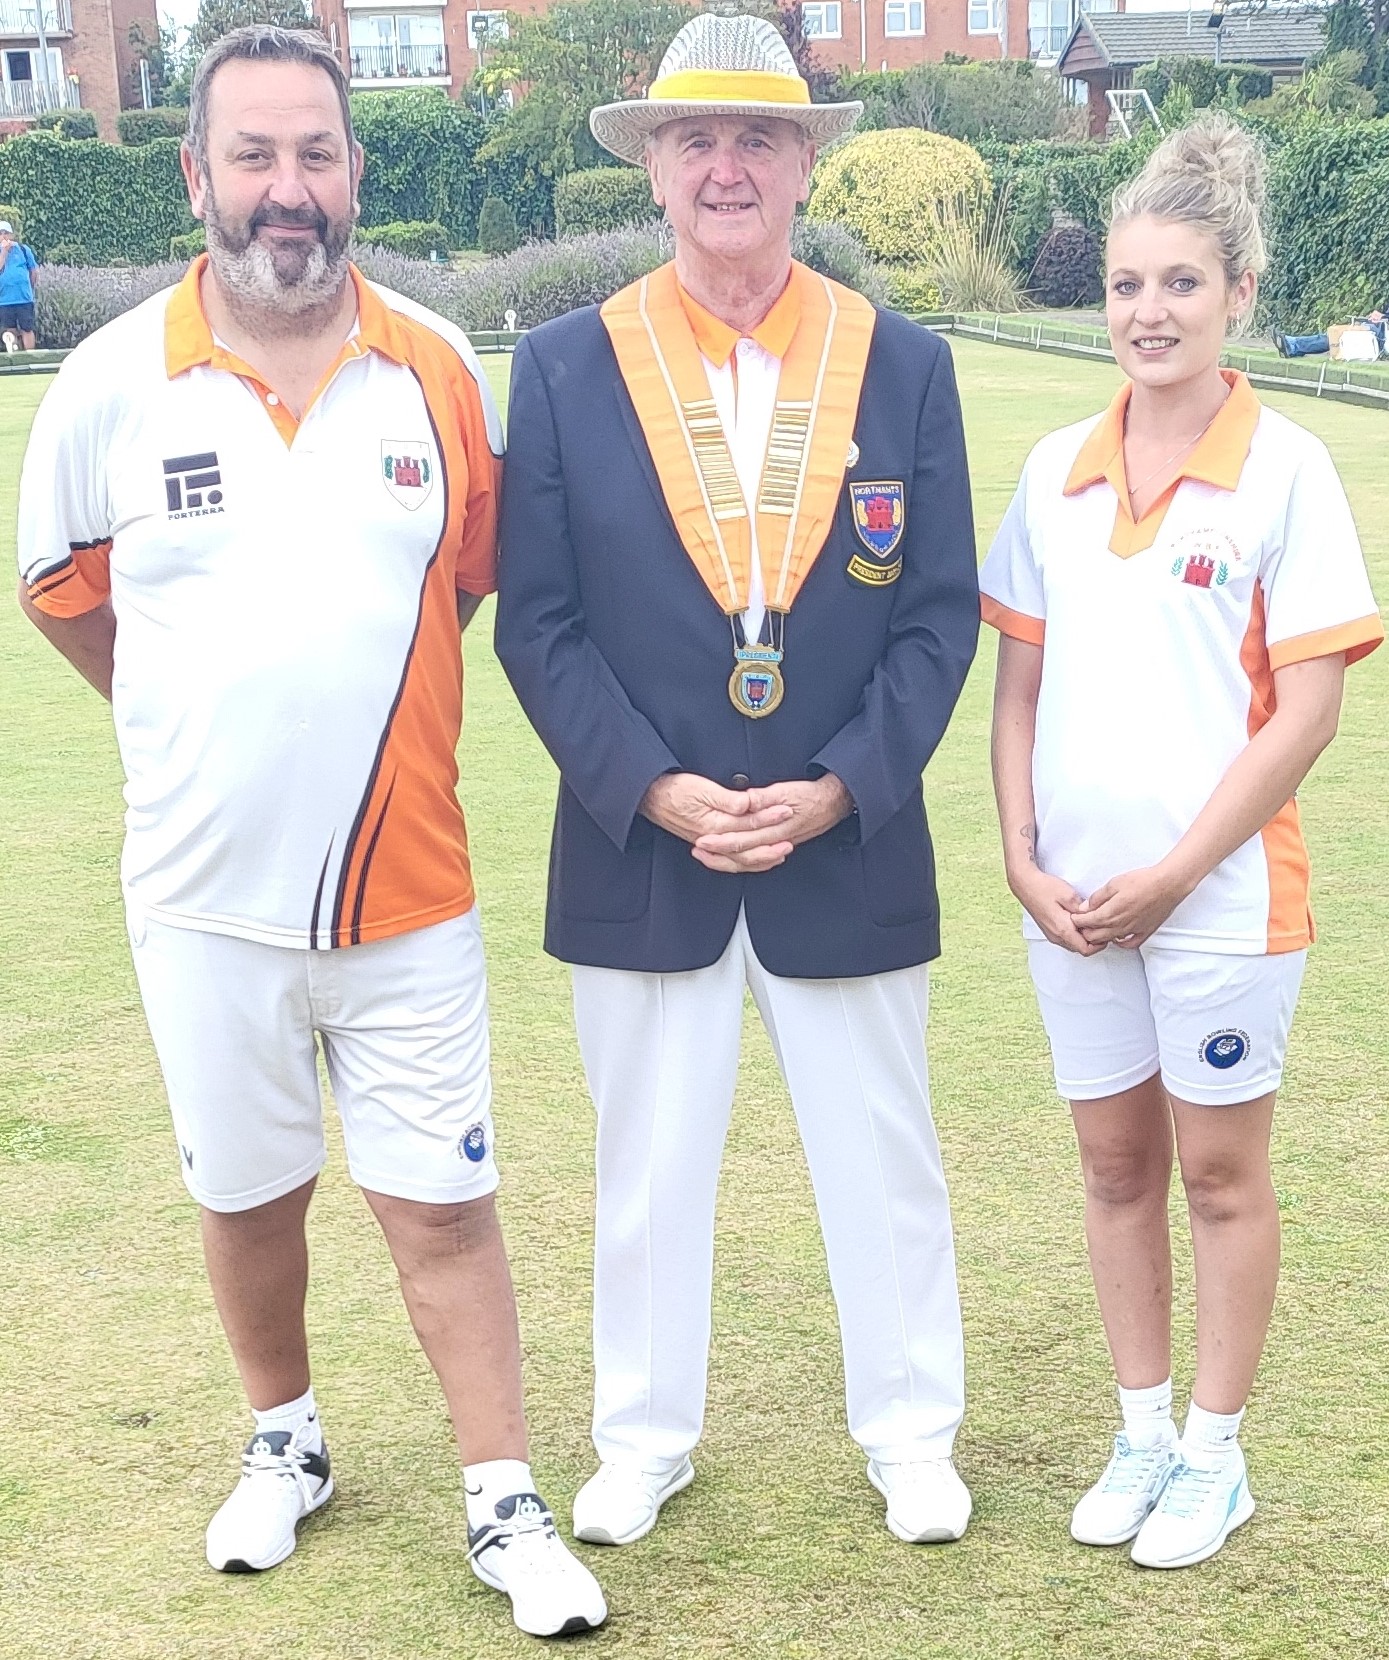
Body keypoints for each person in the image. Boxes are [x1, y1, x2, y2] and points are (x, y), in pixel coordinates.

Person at [15, 25, 605, 1639]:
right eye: (255, 156)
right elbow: (69, 601)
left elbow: (464, 586)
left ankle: (502, 1497)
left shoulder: (438, 368)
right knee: (247, 1196)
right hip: (200, 898)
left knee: (442, 1206)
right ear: (195, 174)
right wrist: (194, 730)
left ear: (356, 171)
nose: (288, 188)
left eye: (316, 155)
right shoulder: (107, 384)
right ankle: (286, 1440)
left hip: (406, 893)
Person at [495, 13, 980, 1550]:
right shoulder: (564, 366)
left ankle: (911, 1433)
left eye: (758, 138)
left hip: (846, 838)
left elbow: (937, 617)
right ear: (650, 167)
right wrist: (652, 787)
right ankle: (642, 1439)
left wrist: (840, 785)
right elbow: (538, 622)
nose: (726, 167)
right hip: (649, 848)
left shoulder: (903, 363)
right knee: (644, 1170)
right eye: (694, 138)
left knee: (883, 1159)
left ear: (802, 164)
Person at [981, 116, 1383, 1571]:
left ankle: (1216, 1454)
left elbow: (1308, 714)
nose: (1147, 313)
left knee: (1218, 1175)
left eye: (1181, 284)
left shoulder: (1287, 471)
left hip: (1217, 902)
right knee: (1111, 1169)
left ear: (1239, 293)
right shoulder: (1053, 471)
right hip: (1074, 902)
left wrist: (1172, 874)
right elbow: (1017, 691)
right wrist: (1022, 858)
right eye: (1126, 285)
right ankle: (1142, 1432)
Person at [1274, 310, 1387, 360]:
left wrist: (1383, 316)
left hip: (1382, 335)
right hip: (1380, 329)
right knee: (1337, 336)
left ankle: (1293, 346)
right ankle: (1294, 346)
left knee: (1339, 338)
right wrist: (1381, 315)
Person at [0, 218, 39, 350]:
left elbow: (33, 271)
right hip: (4, 299)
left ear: (11, 235)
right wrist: (4, 252)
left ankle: (30, 356)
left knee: (26, 328)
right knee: (10, 330)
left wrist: (29, 288)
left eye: (6, 233)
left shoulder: (23, 249)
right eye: (0, 233)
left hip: (23, 298)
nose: (3, 236)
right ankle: (14, 354)